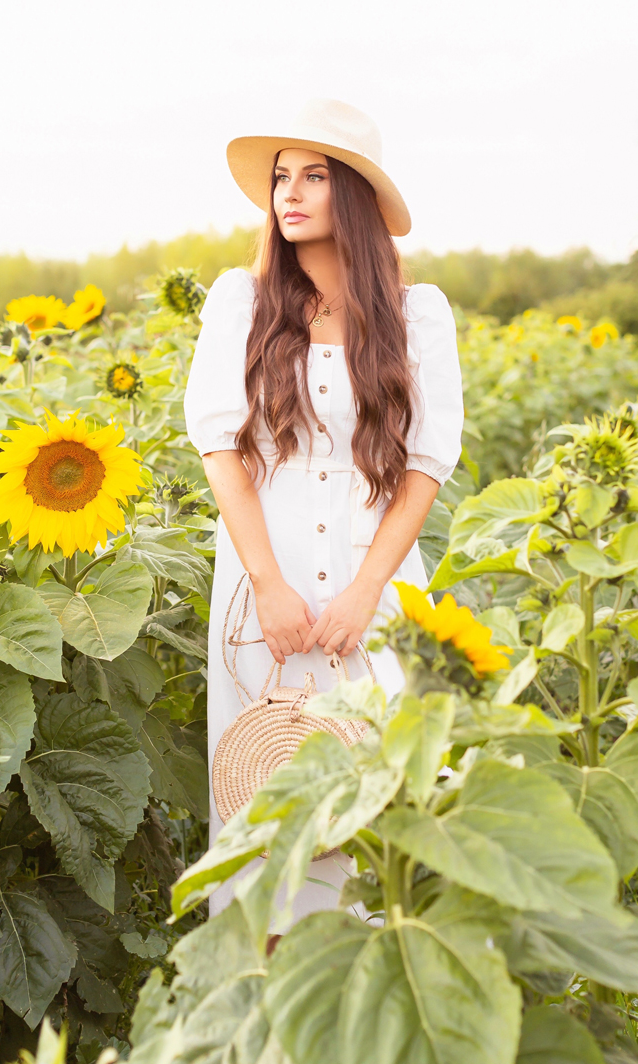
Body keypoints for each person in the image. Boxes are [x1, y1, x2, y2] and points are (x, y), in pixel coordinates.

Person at [183, 98, 464, 919]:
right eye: (281, 177)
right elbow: (219, 450)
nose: (290, 193)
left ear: (356, 196)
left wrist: (367, 591)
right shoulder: (243, 300)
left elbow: (425, 464)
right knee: (260, 793)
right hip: (262, 590)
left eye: (314, 175)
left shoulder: (419, 315)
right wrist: (268, 583)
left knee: (378, 799)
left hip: (370, 581)